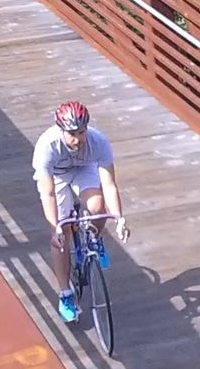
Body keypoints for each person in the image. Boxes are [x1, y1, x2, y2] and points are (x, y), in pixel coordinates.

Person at [33, 100, 129, 322]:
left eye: (81, 132)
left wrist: (119, 217)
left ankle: (95, 238)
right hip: (56, 176)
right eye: (72, 134)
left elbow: (109, 185)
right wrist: (56, 227)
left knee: (97, 208)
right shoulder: (47, 147)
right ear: (61, 130)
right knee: (61, 237)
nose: (78, 139)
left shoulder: (98, 142)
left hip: (84, 169)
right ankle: (65, 294)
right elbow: (48, 194)